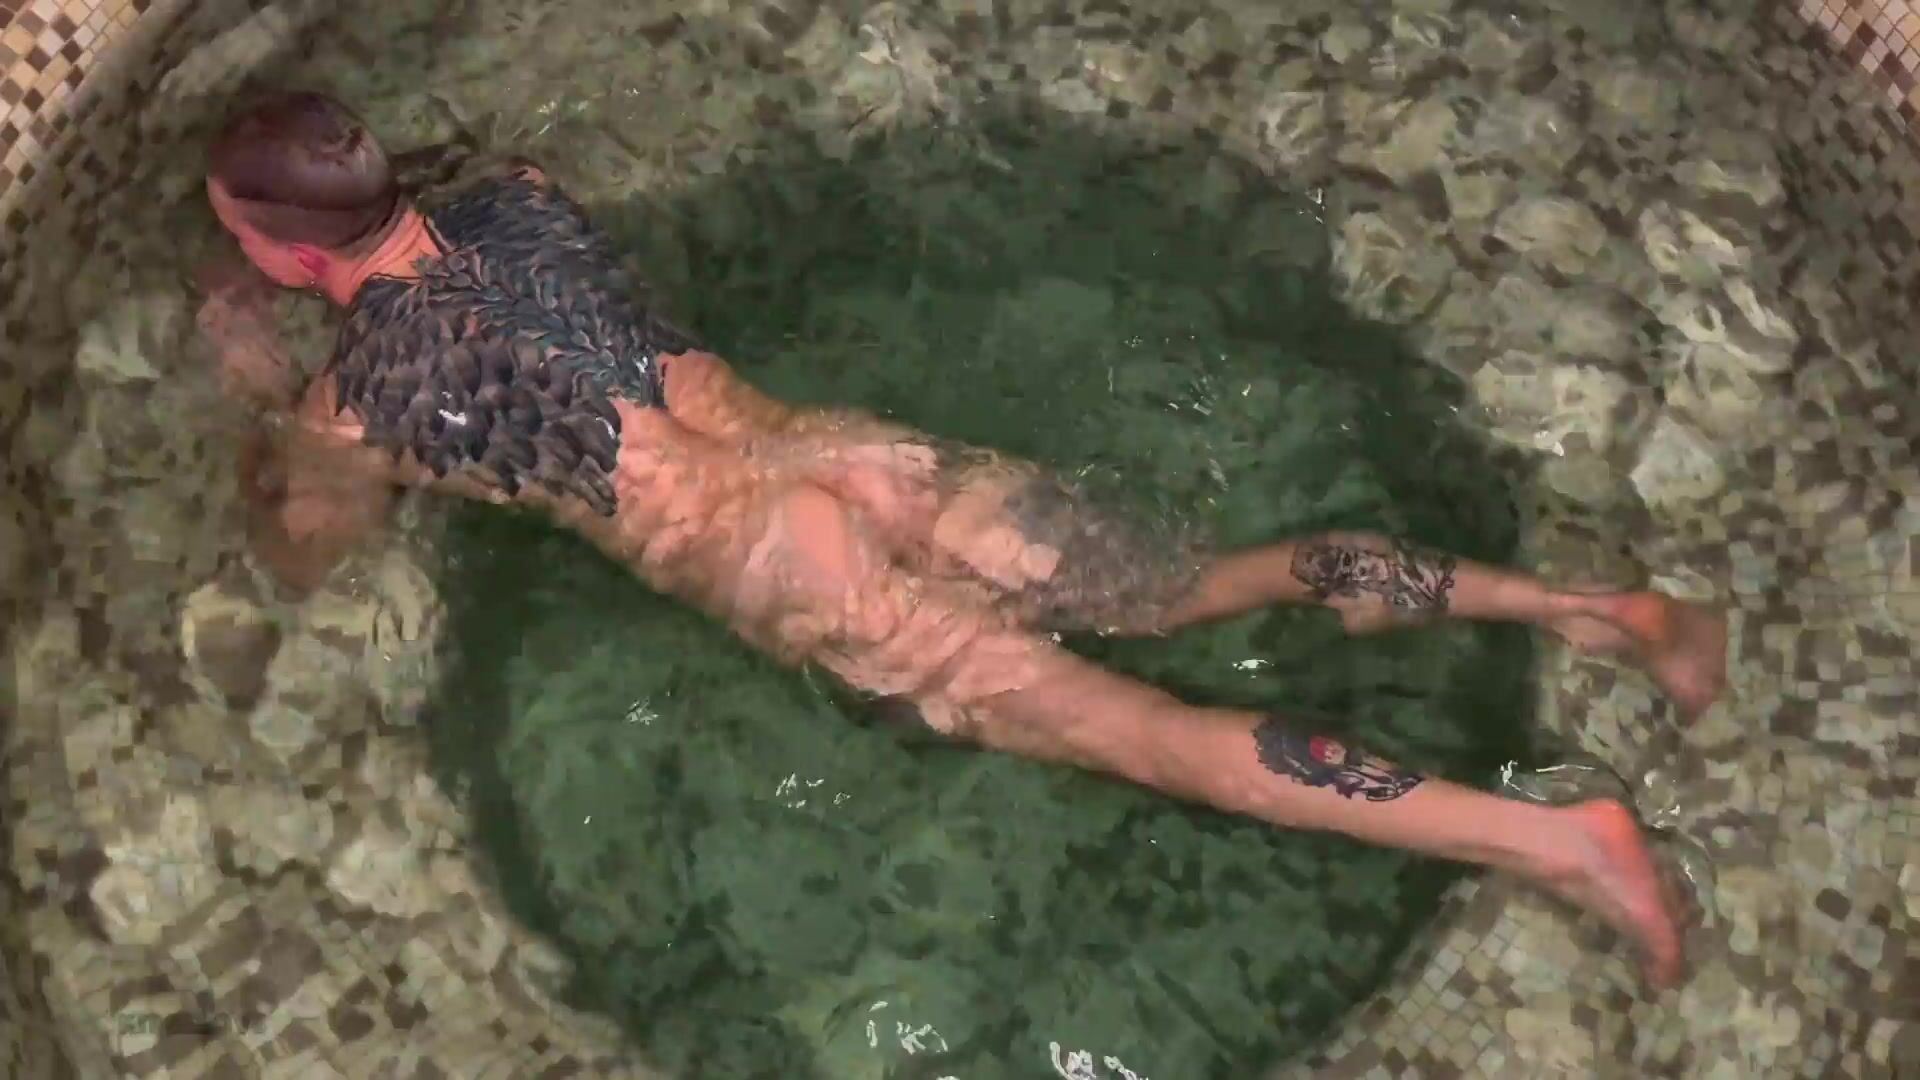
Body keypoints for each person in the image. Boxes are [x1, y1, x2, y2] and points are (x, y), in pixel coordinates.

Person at [196, 91, 1727, 990]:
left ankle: (1559, 841)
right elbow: (477, 257)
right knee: (1197, 588)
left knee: (1156, 738)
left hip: (783, 564)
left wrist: (261, 393)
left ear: (275, 248)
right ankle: (1590, 610)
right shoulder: (520, 199)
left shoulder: (361, 402)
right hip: (863, 460)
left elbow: (307, 555)